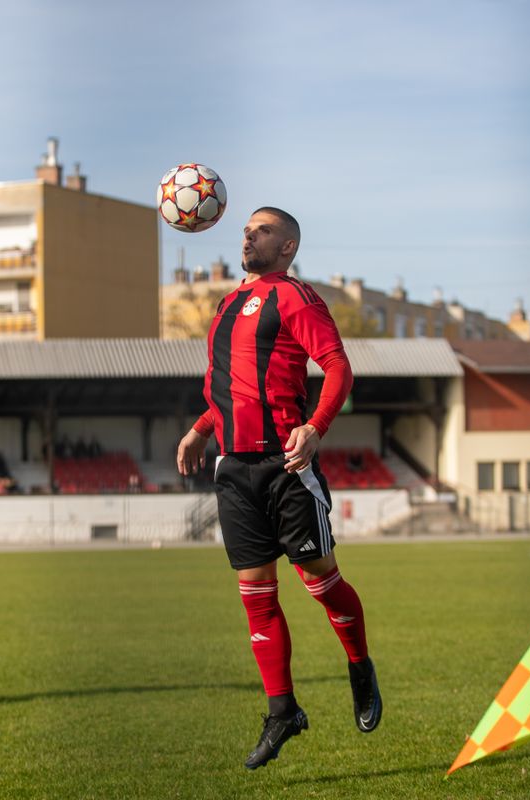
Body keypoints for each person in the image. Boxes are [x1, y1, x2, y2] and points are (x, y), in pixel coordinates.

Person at [177, 207, 382, 770]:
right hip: (232, 469)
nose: (248, 235)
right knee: (255, 594)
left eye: (261, 229)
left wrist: (314, 429)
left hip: (286, 465)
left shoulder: (294, 297)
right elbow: (229, 389)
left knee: (320, 581)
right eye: (245, 229)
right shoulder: (223, 305)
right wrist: (200, 429)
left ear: (287, 246)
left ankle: (359, 664)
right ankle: (282, 709)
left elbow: (337, 368)